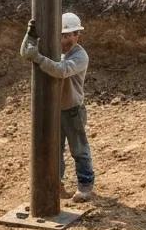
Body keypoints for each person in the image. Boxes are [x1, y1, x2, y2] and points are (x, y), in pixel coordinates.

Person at [20, 12, 95, 202]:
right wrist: (30, 35)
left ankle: (85, 187)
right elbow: (25, 53)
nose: (68, 39)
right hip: (54, 110)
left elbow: (62, 71)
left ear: (78, 35)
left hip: (72, 110)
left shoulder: (80, 55)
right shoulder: (55, 52)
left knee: (79, 149)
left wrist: (38, 58)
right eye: (63, 35)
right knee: (55, 150)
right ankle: (57, 185)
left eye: (71, 35)